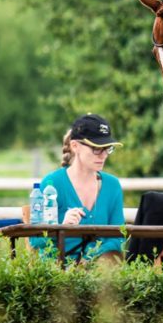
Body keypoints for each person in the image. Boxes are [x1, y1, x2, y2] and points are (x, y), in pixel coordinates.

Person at [30, 113, 125, 264]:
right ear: (75, 146)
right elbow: (36, 241)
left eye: (107, 148)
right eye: (96, 148)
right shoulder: (51, 184)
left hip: (101, 277)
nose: (104, 155)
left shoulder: (113, 186)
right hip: (57, 275)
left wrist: (90, 259)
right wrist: (61, 226)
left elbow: (118, 239)